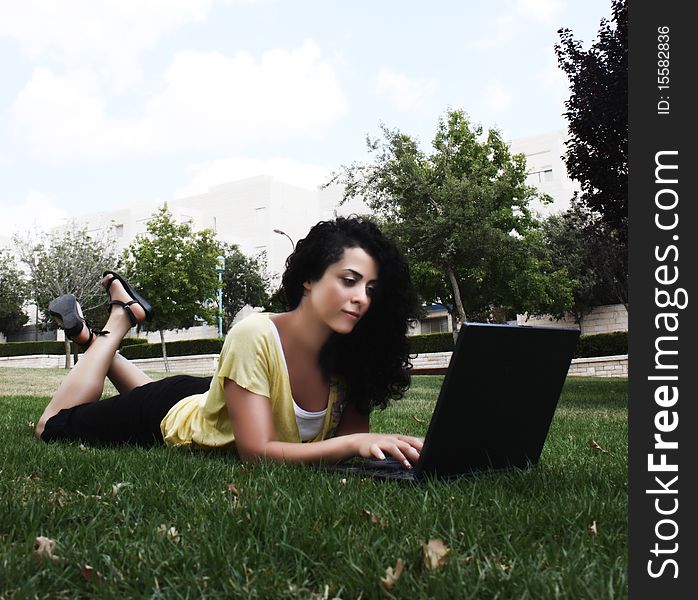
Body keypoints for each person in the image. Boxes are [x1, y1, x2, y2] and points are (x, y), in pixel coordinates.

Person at [35, 217, 424, 468]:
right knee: (50, 427)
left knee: (198, 404)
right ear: (310, 278)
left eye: (371, 288)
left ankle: (87, 338)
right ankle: (119, 320)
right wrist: (355, 444)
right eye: (349, 280)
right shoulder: (255, 333)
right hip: (165, 414)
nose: (362, 298)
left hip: (217, 400)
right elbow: (257, 454)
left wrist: (378, 449)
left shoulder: (354, 353)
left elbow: (349, 445)